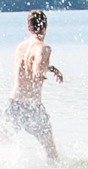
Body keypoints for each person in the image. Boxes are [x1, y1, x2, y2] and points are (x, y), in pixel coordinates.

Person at [4, 9, 65, 161]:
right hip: (32, 107)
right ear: (46, 27)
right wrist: (39, 71)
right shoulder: (44, 48)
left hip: (13, 103)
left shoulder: (20, 47)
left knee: (3, 146)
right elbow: (37, 62)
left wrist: (48, 68)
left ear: (29, 28)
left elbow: (27, 65)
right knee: (51, 151)